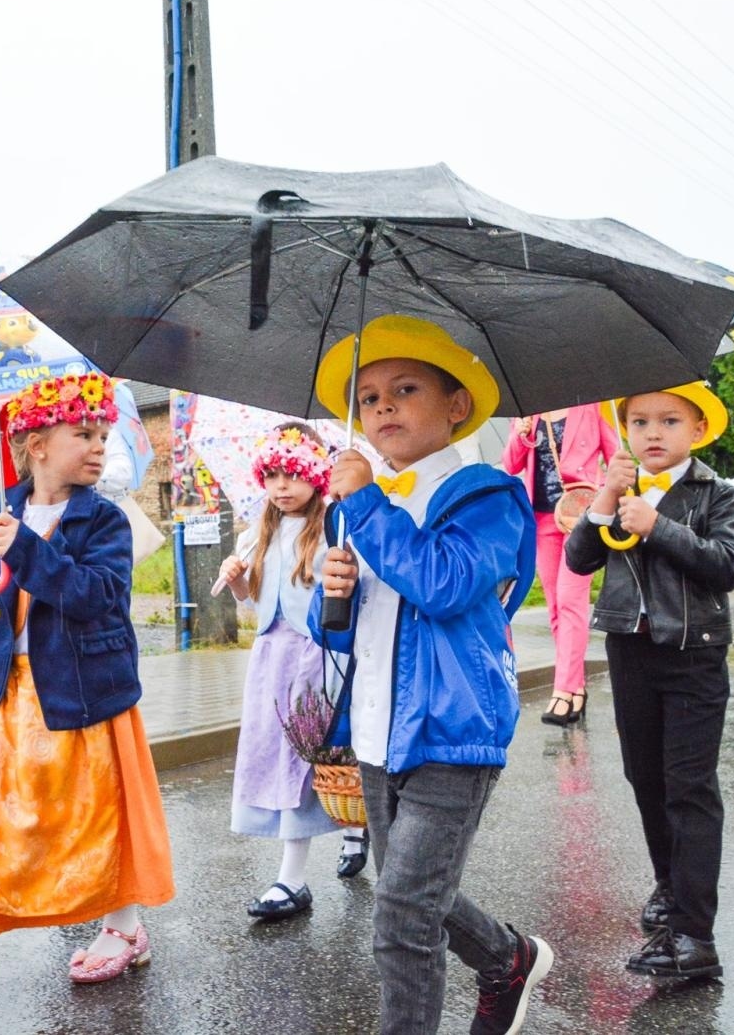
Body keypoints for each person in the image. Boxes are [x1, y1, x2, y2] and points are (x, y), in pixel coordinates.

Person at [0, 371, 174, 996]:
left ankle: (124, 928)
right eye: (85, 433)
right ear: (38, 444)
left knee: (96, 822)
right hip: (17, 700)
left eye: (104, 434)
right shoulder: (3, 515)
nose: (101, 446)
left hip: (86, 698)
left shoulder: (105, 521)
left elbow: (96, 597)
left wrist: (26, 549)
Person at [308, 315, 548, 1035]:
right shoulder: (365, 505)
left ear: (455, 406)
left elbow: (443, 584)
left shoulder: (485, 496)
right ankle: (508, 959)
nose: (381, 406)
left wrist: (365, 504)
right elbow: (340, 634)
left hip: (452, 729)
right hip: (378, 730)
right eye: (369, 396)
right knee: (416, 895)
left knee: (402, 917)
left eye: (404, 388)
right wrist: (335, 593)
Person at [565, 381, 734, 981]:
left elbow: (726, 566)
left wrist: (657, 526)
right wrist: (608, 498)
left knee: (688, 787)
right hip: (631, 649)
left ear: (697, 430)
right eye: (639, 422)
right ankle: (669, 888)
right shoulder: (625, 490)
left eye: (669, 421)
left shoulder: (715, 492)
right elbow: (579, 559)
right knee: (644, 777)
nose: (653, 433)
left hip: (694, 655)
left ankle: (696, 936)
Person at [217, 423, 337, 919]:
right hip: (269, 658)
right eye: (271, 475)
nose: (281, 486)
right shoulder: (254, 534)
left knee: (310, 758)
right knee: (276, 754)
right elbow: (253, 605)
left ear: (315, 475)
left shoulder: (334, 526)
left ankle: (294, 877)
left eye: (292, 474)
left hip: (314, 657)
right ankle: (351, 833)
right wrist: (239, 581)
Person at [502, 405, 617, 727]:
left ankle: (563, 689)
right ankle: (576, 687)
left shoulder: (593, 407)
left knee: (570, 601)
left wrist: (604, 499)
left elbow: (615, 457)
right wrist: (521, 434)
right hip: (542, 520)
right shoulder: (526, 413)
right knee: (555, 606)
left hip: (581, 517)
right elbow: (511, 465)